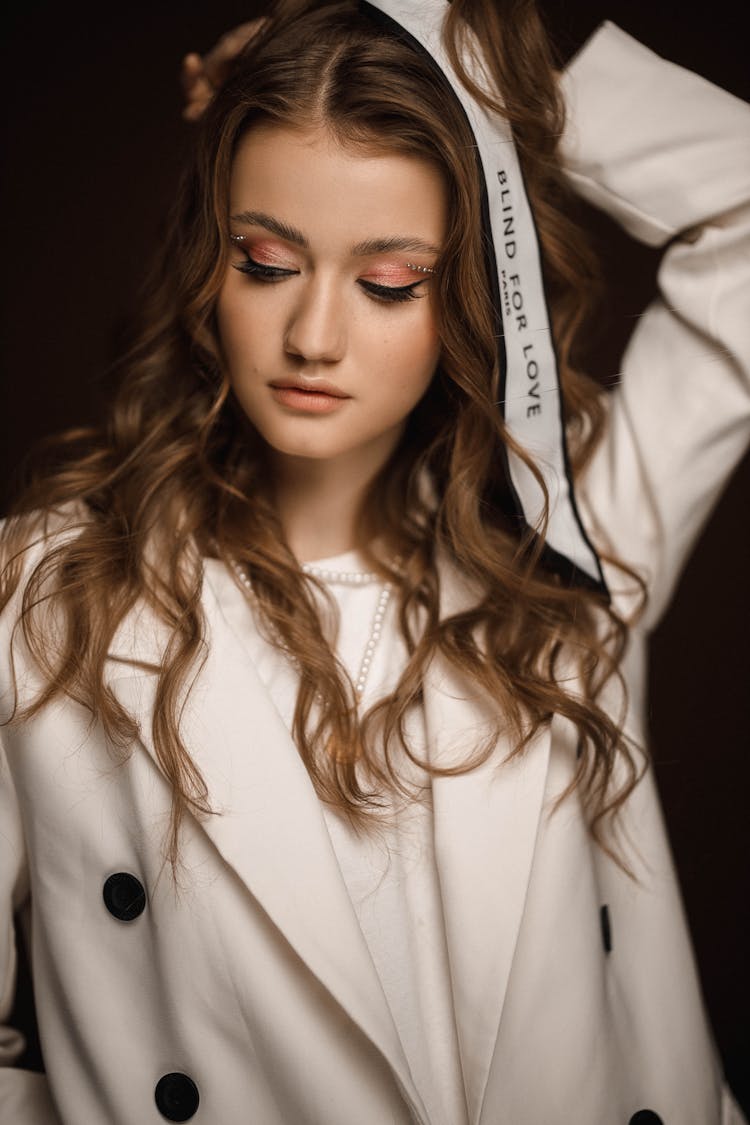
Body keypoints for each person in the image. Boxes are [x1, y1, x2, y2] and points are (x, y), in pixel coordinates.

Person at [0, 1, 748, 1122]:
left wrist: (470, 59)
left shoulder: (567, 531)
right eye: (265, 262)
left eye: (388, 281)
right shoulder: (47, 596)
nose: (314, 334)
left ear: (466, 299)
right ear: (210, 266)